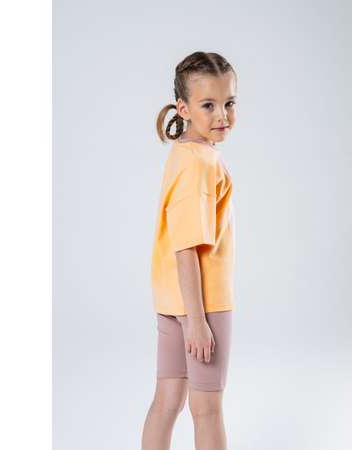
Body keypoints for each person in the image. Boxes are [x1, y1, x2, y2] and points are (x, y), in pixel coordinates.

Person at [141, 51, 237, 450]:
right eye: (208, 105)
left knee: (167, 401)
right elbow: (186, 248)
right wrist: (198, 322)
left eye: (229, 102)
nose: (223, 115)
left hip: (171, 300)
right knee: (207, 409)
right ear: (184, 108)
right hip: (203, 304)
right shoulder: (200, 163)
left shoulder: (182, 152)